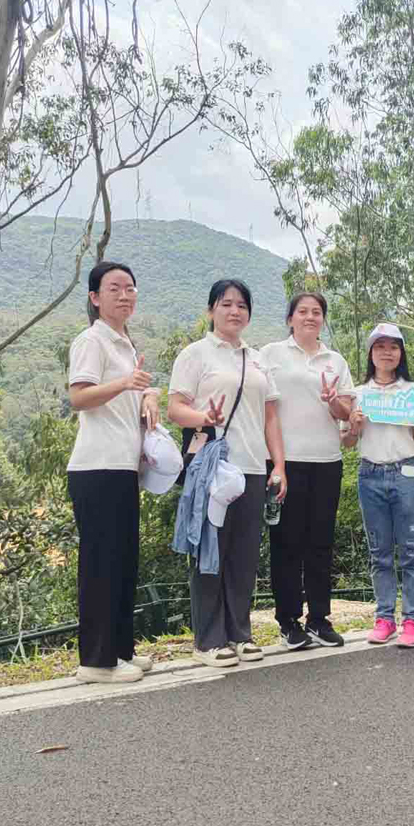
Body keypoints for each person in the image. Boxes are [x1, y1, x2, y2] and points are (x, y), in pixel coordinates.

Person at [167, 279, 286, 668]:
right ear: (211, 310)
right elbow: (176, 409)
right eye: (226, 304)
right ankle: (209, 639)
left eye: (241, 305)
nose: (234, 311)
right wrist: (204, 417)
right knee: (209, 551)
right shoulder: (195, 354)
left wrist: (278, 464)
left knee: (243, 554)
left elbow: (270, 417)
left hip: (251, 467)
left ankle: (240, 632)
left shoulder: (257, 359)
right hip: (212, 468)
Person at [66, 261, 160, 683]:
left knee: (123, 562)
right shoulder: (91, 341)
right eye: (114, 288)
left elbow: (131, 392)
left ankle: (121, 649)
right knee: (101, 564)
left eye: (130, 288)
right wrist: (125, 385)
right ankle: (96, 661)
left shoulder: (124, 344)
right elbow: (80, 398)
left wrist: (147, 395)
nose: (125, 295)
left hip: (122, 466)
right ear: (95, 297)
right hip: (96, 466)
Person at [259, 292, 354, 650]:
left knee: (320, 543)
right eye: (303, 311)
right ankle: (288, 622)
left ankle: (318, 618)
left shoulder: (336, 360)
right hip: (285, 462)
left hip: (327, 461)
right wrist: (274, 464)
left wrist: (334, 402)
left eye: (317, 312)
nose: (310, 317)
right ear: (290, 319)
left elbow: (347, 414)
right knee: (286, 542)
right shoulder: (270, 355)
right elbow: (263, 407)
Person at [342, 323, 414, 649]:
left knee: (411, 551)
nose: (387, 352)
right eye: (380, 346)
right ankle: (384, 618)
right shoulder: (358, 394)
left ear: (401, 353)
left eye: (394, 346)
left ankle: (412, 620)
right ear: (371, 353)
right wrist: (354, 427)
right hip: (370, 475)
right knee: (379, 552)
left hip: (407, 473)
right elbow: (347, 442)